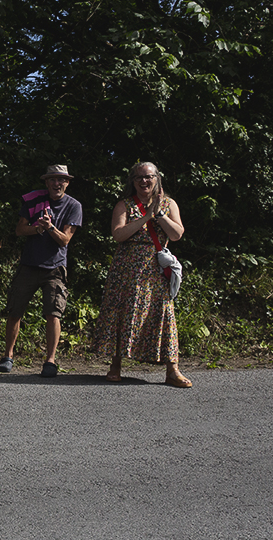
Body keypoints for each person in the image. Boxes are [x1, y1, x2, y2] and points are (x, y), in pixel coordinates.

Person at [93, 161, 191, 387]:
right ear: (133, 182)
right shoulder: (125, 205)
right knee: (122, 311)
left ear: (157, 178)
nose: (144, 181)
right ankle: (115, 365)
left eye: (148, 177)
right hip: (126, 269)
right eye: (139, 178)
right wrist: (146, 217)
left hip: (156, 268)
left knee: (164, 313)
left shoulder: (169, 204)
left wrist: (159, 215)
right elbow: (118, 234)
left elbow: (176, 235)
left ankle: (172, 369)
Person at [0, 165, 83, 377]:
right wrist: (37, 228)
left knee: (53, 313)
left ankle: (50, 361)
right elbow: (19, 230)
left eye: (61, 180)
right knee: (15, 311)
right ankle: (8, 356)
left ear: (67, 183)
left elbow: (65, 240)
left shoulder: (74, 206)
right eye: (52, 179)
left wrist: (50, 227)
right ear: (46, 182)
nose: (57, 183)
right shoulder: (33, 200)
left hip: (55, 268)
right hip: (29, 265)